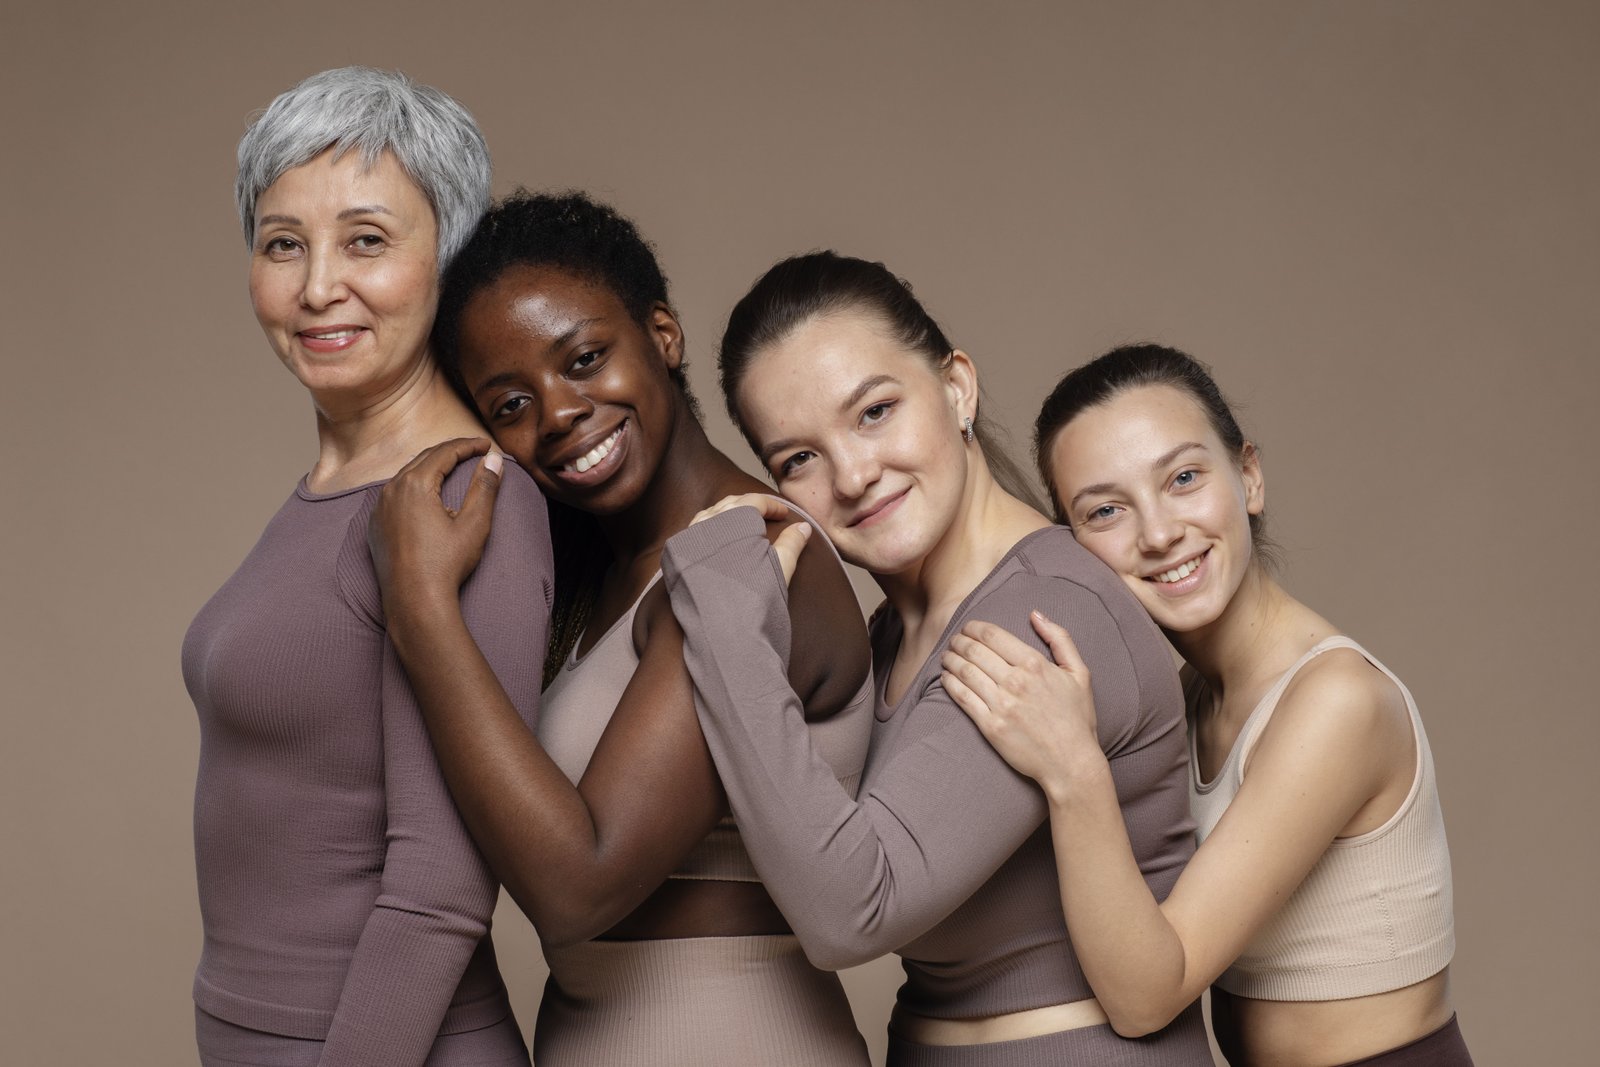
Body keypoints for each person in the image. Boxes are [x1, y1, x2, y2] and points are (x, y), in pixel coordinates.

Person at [657, 252, 1214, 1064]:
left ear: (956, 387)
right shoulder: (884, 638)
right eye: (798, 460)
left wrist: (722, 608)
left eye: (875, 411)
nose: (853, 474)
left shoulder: (1047, 612)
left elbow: (853, 909)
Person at [366, 192, 874, 1065]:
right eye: (511, 403)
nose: (558, 413)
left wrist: (421, 607)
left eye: (585, 358)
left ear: (664, 336)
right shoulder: (594, 579)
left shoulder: (746, 557)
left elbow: (580, 883)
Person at [939, 344, 1472, 1066]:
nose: (1159, 533)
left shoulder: (1337, 701)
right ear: (1071, 548)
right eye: (1106, 510)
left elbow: (1148, 992)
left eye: (1184, 478)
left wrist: (1073, 768)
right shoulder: (1184, 703)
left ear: (1247, 476)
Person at [183, 68, 550, 1066]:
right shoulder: (331, 485)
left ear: (448, 258)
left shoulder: (465, 499)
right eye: (282, 243)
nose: (315, 287)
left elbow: (439, 887)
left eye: (367, 241)